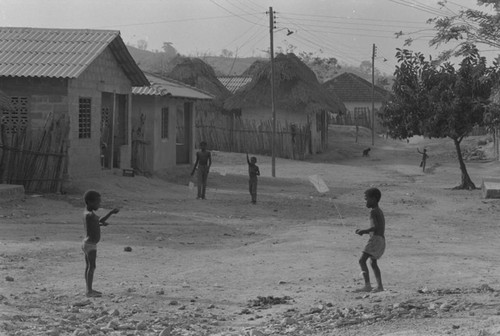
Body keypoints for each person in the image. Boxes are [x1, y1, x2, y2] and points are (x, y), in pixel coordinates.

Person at [82, 190, 119, 297]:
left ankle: (89, 289)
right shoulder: (90, 215)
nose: (99, 205)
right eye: (97, 203)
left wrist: (100, 225)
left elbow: (94, 224)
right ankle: (89, 291)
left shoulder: (87, 213)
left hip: (86, 243)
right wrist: (111, 213)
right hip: (91, 245)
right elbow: (100, 220)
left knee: (88, 267)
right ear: (89, 202)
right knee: (92, 267)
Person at [354, 187, 385, 293]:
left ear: (374, 199)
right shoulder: (379, 211)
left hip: (375, 239)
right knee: (372, 262)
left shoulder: (373, 212)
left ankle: (367, 285)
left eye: (367, 199)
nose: (365, 201)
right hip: (381, 239)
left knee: (362, 260)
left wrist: (363, 231)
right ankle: (379, 286)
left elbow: (375, 227)